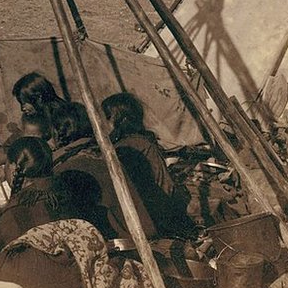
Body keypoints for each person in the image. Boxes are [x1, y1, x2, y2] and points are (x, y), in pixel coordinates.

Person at [0, 137, 74, 276]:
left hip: (32, 281)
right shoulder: (63, 195)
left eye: (5, 164)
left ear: (12, 167)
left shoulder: (16, 212)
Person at [51, 102, 159, 240]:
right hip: (140, 232)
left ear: (57, 130)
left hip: (108, 242)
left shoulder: (61, 166)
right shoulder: (108, 153)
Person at [101, 92, 194, 239]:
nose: (103, 123)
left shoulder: (122, 148)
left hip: (138, 219)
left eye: (107, 117)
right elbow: (166, 186)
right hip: (155, 216)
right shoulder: (141, 143)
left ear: (120, 119)